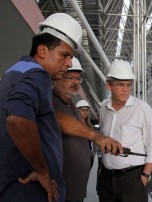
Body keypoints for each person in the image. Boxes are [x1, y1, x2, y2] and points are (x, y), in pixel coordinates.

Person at [0, 13, 122, 202]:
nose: (69, 63)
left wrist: (97, 136)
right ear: (42, 51)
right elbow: (16, 119)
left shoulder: (15, 71)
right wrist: (42, 171)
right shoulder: (37, 75)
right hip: (26, 190)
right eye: (64, 55)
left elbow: (54, 116)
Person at [98, 60, 152, 202]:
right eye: (120, 85)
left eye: (128, 85)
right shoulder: (103, 108)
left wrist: (144, 177)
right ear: (109, 85)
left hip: (132, 179)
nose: (125, 89)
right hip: (106, 179)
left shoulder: (142, 109)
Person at [53, 58, 91, 202]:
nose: (76, 82)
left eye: (78, 79)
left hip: (75, 189)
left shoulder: (71, 106)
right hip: (60, 190)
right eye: (70, 77)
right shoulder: (52, 102)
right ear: (57, 78)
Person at [76, 99, 96, 169]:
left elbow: (92, 143)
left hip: (89, 156)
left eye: (87, 110)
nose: (85, 112)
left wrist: (93, 153)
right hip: (79, 157)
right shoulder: (74, 125)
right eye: (83, 110)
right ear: (77, 111)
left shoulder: (89, 126)